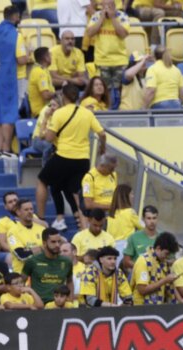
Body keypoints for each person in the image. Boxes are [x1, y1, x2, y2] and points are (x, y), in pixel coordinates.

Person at [38, 83, 107, 231]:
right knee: (76, 193)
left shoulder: (59, 113)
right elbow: (102, 134)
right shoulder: (87, 113)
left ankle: (41, 217)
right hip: (82, 160)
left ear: (63, 96)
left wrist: (46, 119)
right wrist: (103, 148)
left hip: (63, 155)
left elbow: (49, 138)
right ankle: (84, 229)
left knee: (42, 180)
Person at [0, 6, 28, 158]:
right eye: (19, 17)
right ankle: (6, 150)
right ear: (15, 16)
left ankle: (0, 149)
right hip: (14, 78)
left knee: (1, 114)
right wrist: (29, 53)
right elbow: (21, 59)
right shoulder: (16, 35)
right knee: (10, 114)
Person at [86, 0, 130, 109]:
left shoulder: (122, 16)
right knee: (104, 91)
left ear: (114, 6)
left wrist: (113, 18)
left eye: (109, 6)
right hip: (102, 61)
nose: (106, 9)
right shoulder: (96, 16)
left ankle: (120, 112)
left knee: (121, 90)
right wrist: (101, 19)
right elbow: (90, 33)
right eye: (104, 6)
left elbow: (123, 34)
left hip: (120, 61)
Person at [22, 227, 73, 304]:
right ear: (44, 243)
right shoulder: (32, 261)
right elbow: (21, 281)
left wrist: (70, 299)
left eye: (59, 241)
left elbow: (69, 281)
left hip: (59, 306)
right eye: (53, 242)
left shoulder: (67, 262)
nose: (57, 245)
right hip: (40, 306)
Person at [131, 232, 181, 305]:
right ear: (158, 248)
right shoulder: (143, 261)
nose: (167, 257)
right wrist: (165, 280)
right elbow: (142, 290)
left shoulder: (163, 263)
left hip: (157, 308)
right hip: (141, 308)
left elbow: (170, 288)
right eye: (166, 253)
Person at [7, 199, 46, 274]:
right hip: (23, 273)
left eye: (31, 209)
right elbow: (21, 255)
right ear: (18, 212)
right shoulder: (12, 232)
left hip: (42, 272)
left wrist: (29, 250)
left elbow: (50, 250)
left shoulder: (41, 229)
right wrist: (41, 248)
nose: (30, 212)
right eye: (26, 209)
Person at [123, 205, 160, 272]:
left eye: (154, 218)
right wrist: (142, 267)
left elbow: (172, 260)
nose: (152, 221)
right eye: (149, 218)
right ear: (143, 219)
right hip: (138, 273)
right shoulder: (133, 237)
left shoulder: (163, 238)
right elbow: (126, 262)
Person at [106, 184, 142, 253]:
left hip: (112, 246)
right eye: (131, 194)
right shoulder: (130, 212)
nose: (133, 196)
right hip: (126, 247)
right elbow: (143, 227)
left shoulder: (111, 214)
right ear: (125, 196)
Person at [28, 47, 56, 118]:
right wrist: (58, 94)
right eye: (50, 55)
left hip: (47, 109)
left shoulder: (43, 70)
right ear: (46, 58)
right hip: (41, 113)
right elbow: (45, 95)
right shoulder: (40, 73)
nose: (51, 57)